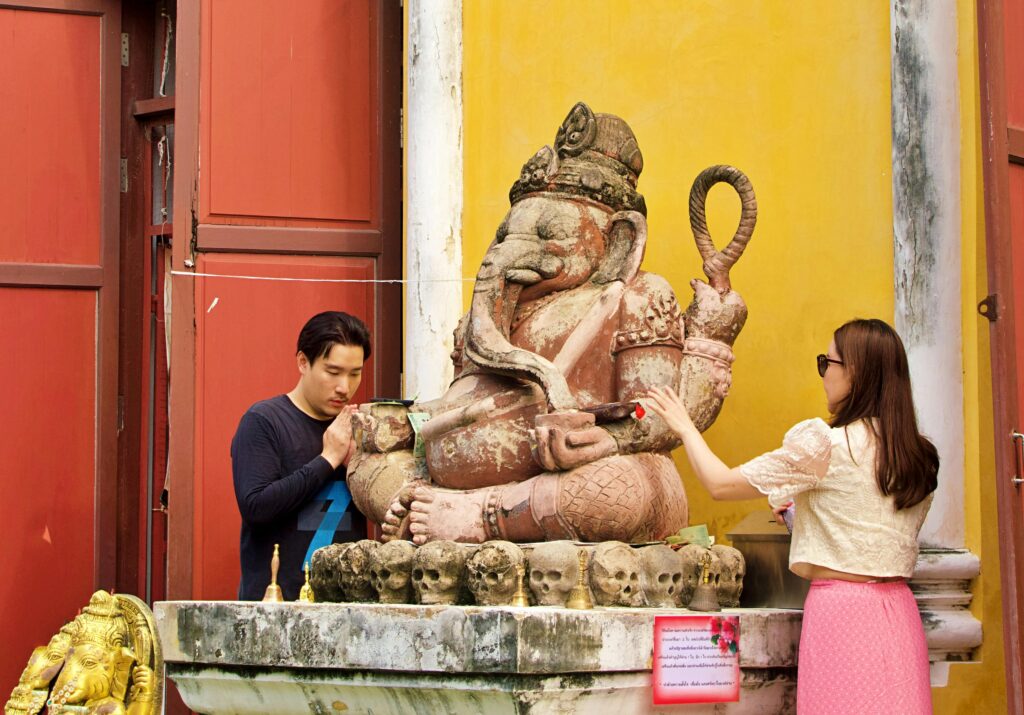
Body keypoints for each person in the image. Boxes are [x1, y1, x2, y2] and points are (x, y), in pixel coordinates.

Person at [647, 318, 938, 714]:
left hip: (844, 617)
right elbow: (867, 532)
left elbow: (720, 485)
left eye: (826, 363)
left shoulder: (826, 445)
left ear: (854, 373)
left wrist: (684, 426)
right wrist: (799, 517)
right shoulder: (918, 457)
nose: (823, 376)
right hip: (899, 617)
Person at [231, 311, 371, 601]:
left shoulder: (361, 428)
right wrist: (327, 460)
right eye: (333, 372)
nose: (344, 387)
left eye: (355, 373)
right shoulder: (264, 421)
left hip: (347, 609)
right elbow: (256, 506)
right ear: (303, 362)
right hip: (276, 608)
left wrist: (363, 468)